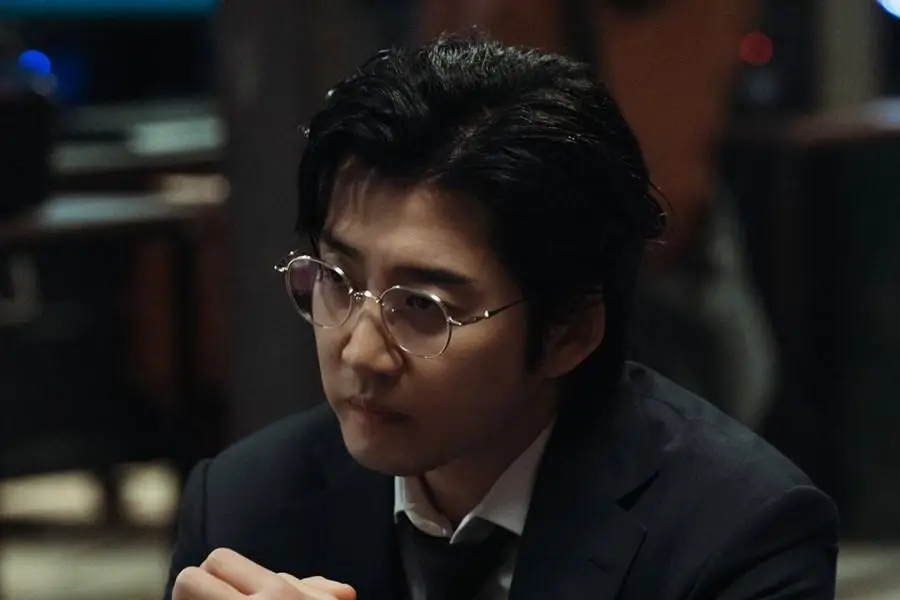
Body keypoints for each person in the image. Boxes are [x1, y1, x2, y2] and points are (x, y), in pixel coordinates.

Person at [164, 33, 838, 600]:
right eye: (337, 282)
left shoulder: (737, 533)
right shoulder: (243, 504)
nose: (361, 353)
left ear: (569, 329)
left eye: (422, 306)